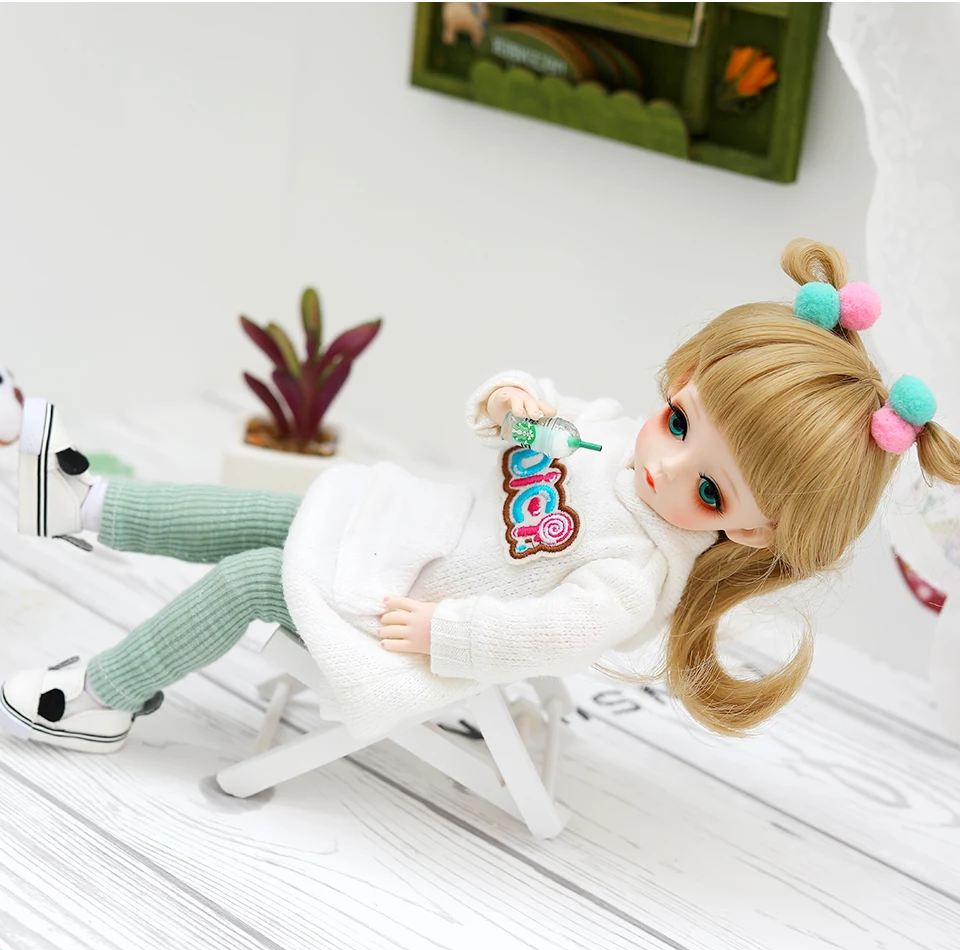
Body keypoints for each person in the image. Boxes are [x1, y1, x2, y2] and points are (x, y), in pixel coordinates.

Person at [4, 239, 959, 754]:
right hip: (410, 532)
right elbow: (541, 414)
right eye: (678, 422)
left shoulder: (633, 572)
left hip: (409, 606)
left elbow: (552, 635)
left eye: (709, 488)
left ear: (753, 530)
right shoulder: (615, 448)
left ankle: (103, 695)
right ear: (677, 388)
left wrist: (447, 635)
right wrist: (511, 401)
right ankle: (79, 507)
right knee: (271, 514)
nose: (668, 468)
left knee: (256, 576)